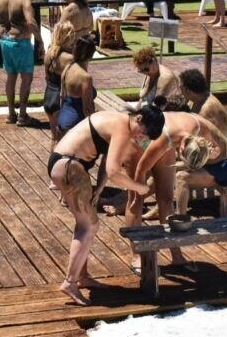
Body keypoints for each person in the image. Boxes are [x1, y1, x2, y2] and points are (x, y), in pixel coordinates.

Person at [48, 106, 165, 305]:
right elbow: (114, 171)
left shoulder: (117, 121)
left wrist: (100, 187)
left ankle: (82, 276)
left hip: (68, 166)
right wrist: (141, 188)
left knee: (84, 225)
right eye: (142, 132)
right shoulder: (122, 127)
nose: (140, 137)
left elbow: (106, 160)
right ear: (138, 119)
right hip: (69, 167)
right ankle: (70, 282)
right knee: (89, 226)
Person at [126, 111, 227, 269]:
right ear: (182, 148)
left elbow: (217, 147)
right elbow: (141, 170)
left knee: (166, 199)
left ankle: (176, 256)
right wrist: (137, 193)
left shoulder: (201, 129)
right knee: (135, 201)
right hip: (139, 139)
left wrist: (213, 153)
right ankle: (137, 255)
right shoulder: (165, 140)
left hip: (168, 138)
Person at [0, 0, 45, 126]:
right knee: (26, 78)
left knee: (11, 77)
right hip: (21, 43)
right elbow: (30, 22)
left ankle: (11, 114)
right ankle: (23, 115)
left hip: (5, 42)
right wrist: (41, 42)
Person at [44, 21, 76, 147]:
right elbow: (74, 83)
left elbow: (47, 78)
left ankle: (52, 166)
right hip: (61, 99)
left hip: (49, 96)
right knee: (66, 142)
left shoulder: (49, 54)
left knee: (55, 139)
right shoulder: (68, 58)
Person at [57, 35, 97, 136]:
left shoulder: (68, 68)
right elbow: (87, 108)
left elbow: (62, 96)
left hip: (63, 117)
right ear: (91, 55)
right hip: (76, 121)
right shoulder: (85, 77)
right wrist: (94, 131)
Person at [178, 68, 227, 135]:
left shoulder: (204, 112)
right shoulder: (203, 97)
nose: (179, 91)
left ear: (189, 91)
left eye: (181, 88)